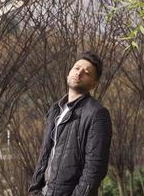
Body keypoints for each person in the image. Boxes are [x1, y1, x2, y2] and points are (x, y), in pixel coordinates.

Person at [28, 51, 112, 196]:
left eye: (86, 72)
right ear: (69, 73)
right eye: (77, 68)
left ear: (94, 84)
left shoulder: (97, 113)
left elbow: (95, 169)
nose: (79, 73)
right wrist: (35, 190)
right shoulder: (55, 110)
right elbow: (46, 154)